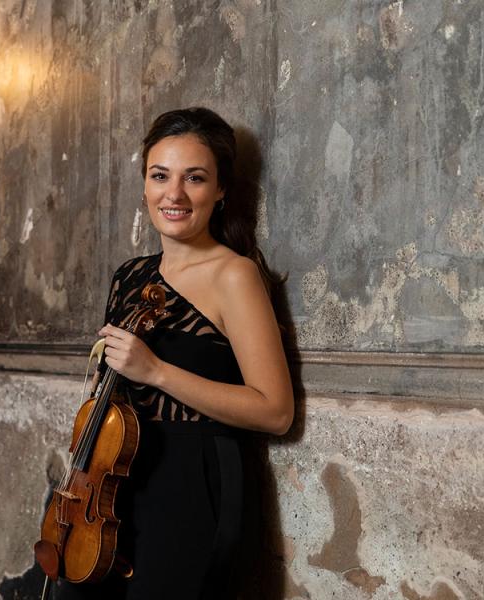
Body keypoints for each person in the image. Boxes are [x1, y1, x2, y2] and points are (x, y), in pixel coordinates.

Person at [56, 107, 293, 599]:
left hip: (191, 484)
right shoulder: (130, 277)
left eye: (196, 178)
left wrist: (157, 371)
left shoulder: (235, 276)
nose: (175, 194)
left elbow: (275, 411)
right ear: (144, 184)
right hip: (108, 484)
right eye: (160, 176)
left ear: (222, 190)